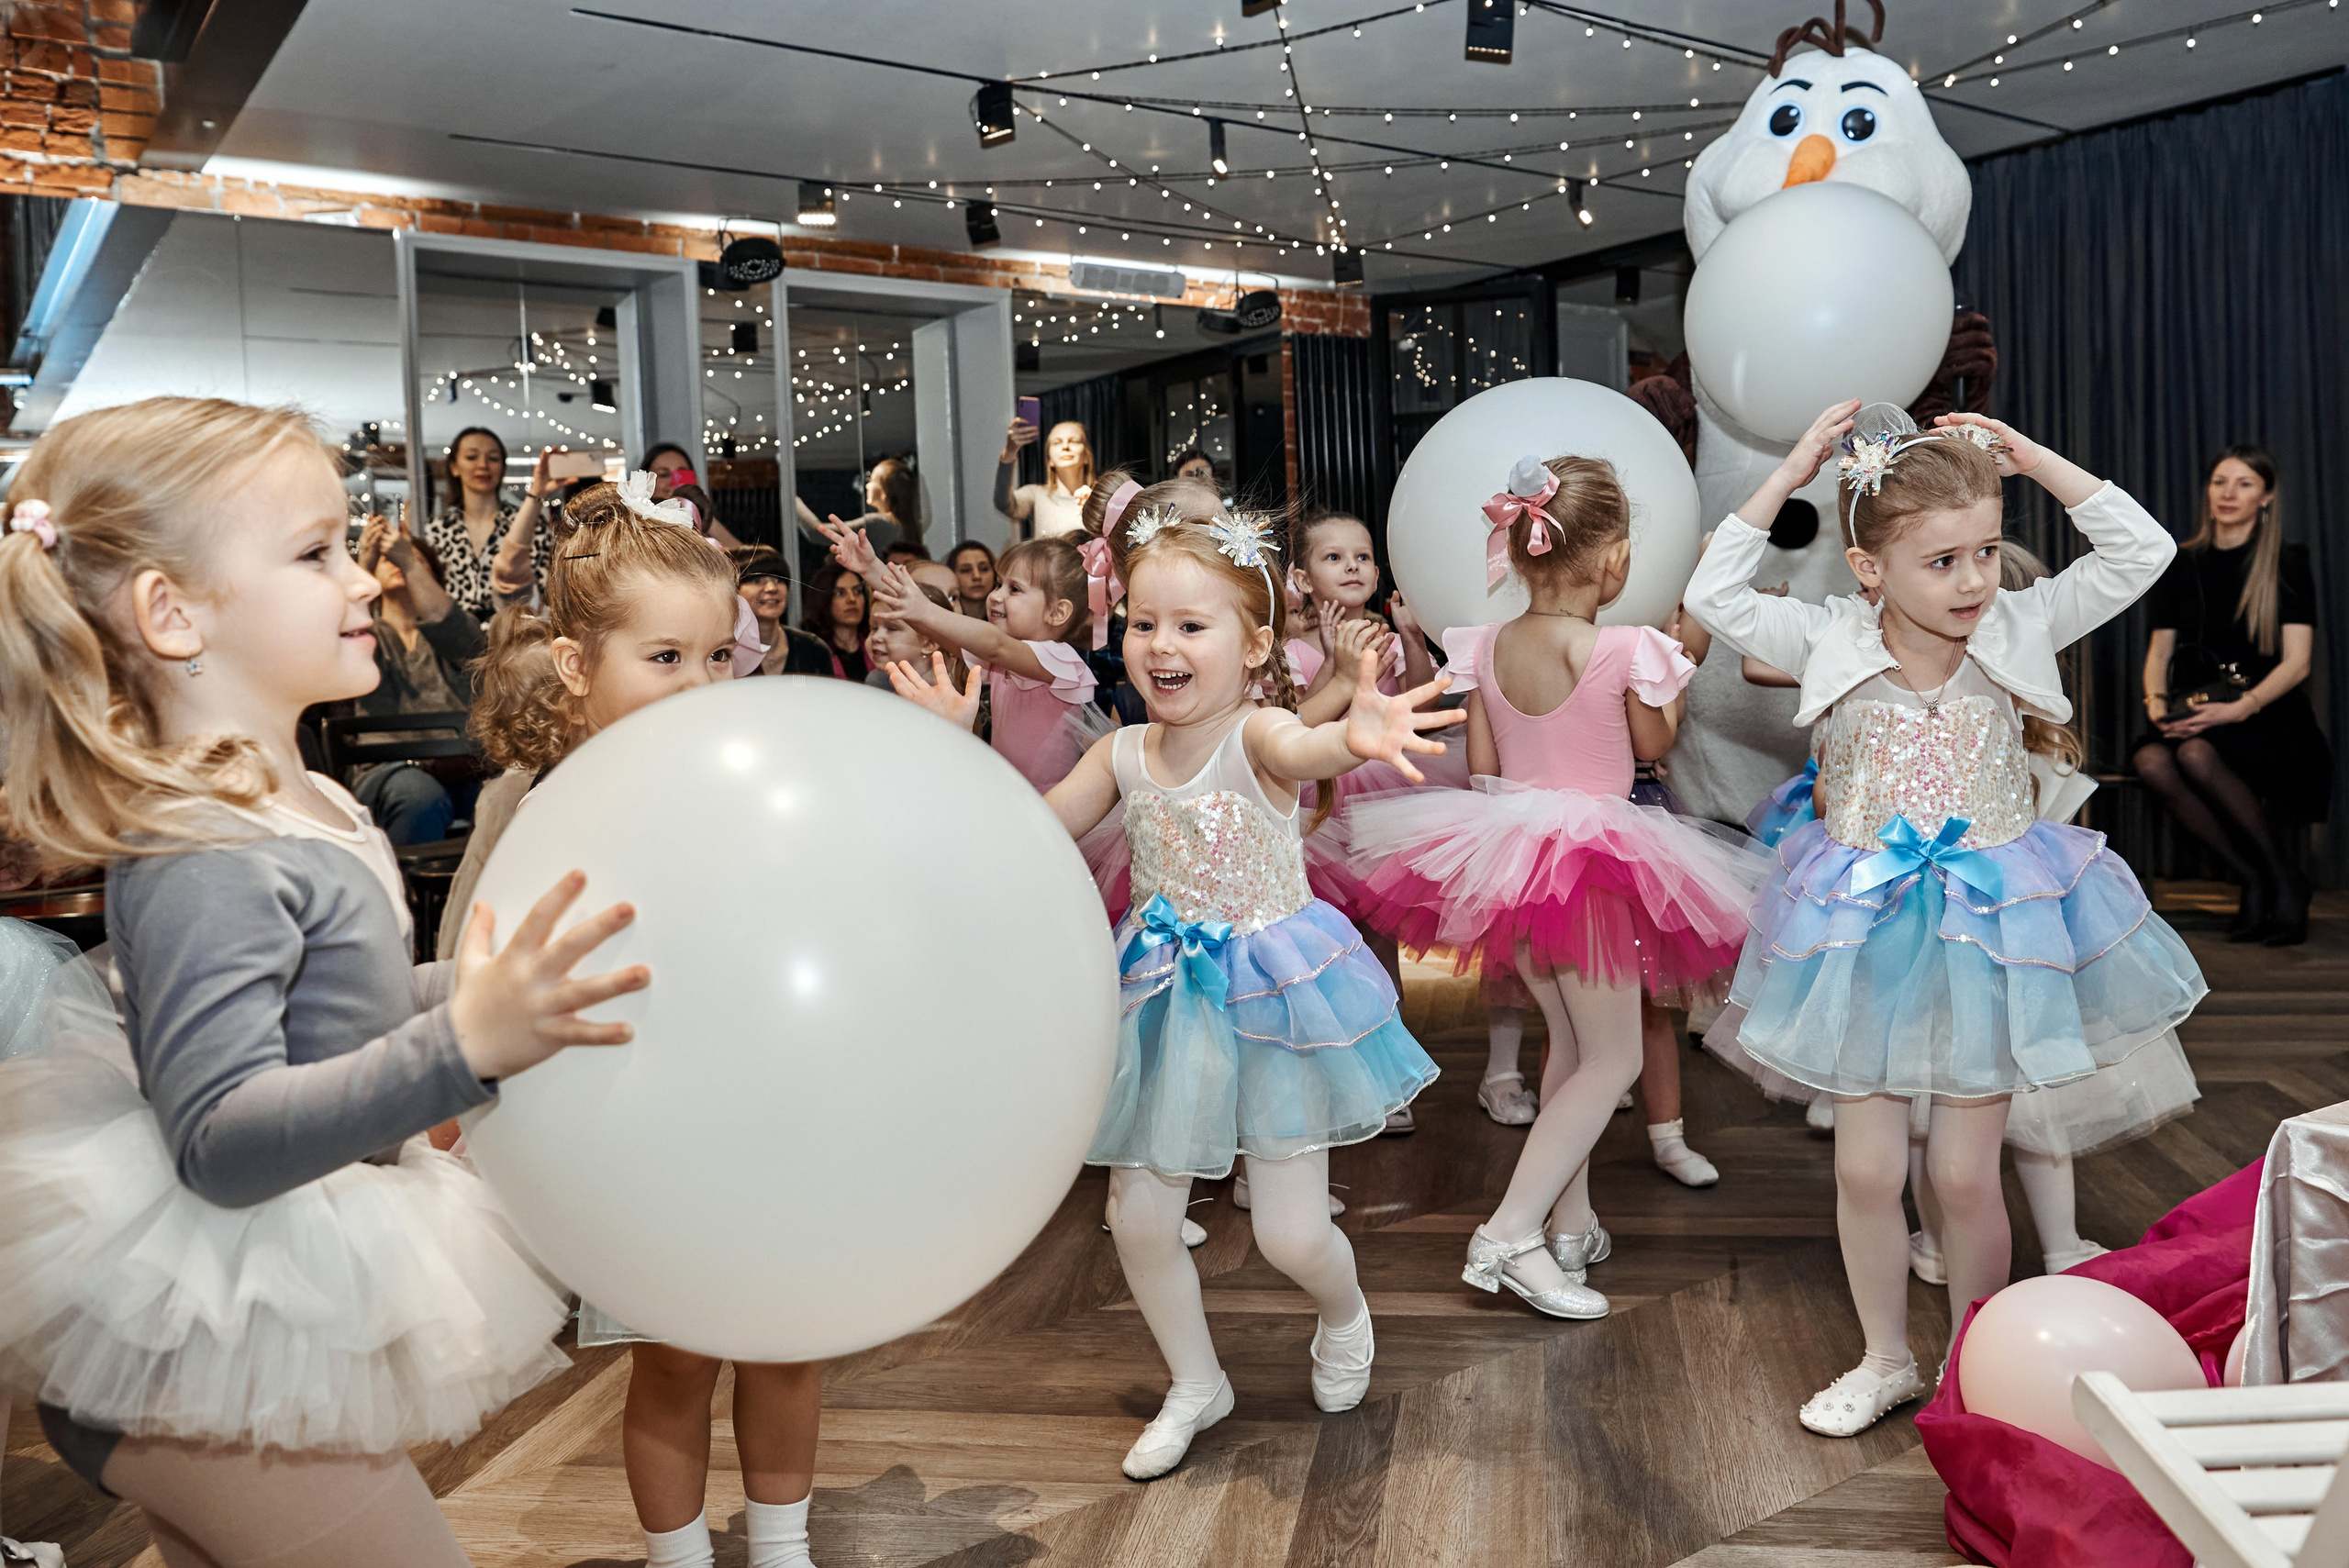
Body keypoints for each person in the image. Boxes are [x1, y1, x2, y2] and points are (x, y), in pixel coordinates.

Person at [0, 395, 647, 1565]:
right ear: (172, 612)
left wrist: (472, 985)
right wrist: (464, 1045)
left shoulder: (308, 799)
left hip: (231, 1322)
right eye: (317, 553)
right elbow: (224, 1137)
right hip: (199, 1334)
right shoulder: (209, 843)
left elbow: (326, 1018)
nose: (365, 579)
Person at [887, 477, 1457, 1481]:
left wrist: (1351, 734)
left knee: (1288, 1232)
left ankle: (1344, 1306)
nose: (1161, 645)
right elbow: (1032, 826)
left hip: (1275, 994)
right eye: (1144, 621)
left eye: (1192, 624)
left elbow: (1307, 741)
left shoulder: (1259, 737)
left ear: (1253, 646)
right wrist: (952, 746)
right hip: (1160, 994)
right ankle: (1196, 1378)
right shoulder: (1120, 751)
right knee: (1139, 1216)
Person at [1686, 400, 2205, 1439]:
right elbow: (1709, 588)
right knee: (1868, 1166)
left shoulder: (2017, 624)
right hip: (1864, 927)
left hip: (1993, 928)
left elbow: (2140, 547)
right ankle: (1885, 1357)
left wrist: (2030, 459)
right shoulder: (1825, 633)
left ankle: (1977, 1358)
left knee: (1966, 1172)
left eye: (1983, 551)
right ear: (1868, 567)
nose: (1973, 581)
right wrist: (1793, 464)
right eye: (1942, 562)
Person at [471, 476, 824, 1568]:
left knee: (789, 1346)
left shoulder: (753, 778)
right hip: (646, 1124)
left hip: (766, 1104)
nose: (700, 681)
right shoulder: (556, 808)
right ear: (580, 666)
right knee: (672, 1358)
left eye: (717, 655)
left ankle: (784, 1549)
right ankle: (678, 1560)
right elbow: (505, 963)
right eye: (664, 658)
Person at [1342, 454, 1765, 1322]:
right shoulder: (1621, 648)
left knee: (1570, 1051)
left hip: (1513, 857)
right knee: (1611, 1058)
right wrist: (1679, 661)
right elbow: (1653, 742)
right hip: (1597, 863)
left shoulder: (1485, 644)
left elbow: (1489, 768)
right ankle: (1507, 1232)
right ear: (1613, 562)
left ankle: (1572, 1226)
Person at [1901, 543, 2200, 1283]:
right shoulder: (2055, 749)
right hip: (2027, 950)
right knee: (2036, 1112)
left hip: (1936, 935)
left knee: (1924, 1104)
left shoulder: (1963, 725)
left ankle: (1937, 1241)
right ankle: (2060, 1243)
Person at [2132, 443, 2330, 947]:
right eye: (2221, 481)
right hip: (2198, 706)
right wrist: (2155, 705)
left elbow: (2298, 662)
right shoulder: (2182, 562)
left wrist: (2243, 706)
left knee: (2198, 755)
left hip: (2267, 711)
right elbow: (2159, 654)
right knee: (2153, 761)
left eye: (2244, 484)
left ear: (2266, 497)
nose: (2228, 493)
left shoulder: (2286, 560)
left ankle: (2281, 879)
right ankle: (2257, 876)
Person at [842, 527, 1097, 792]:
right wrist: (871, 569)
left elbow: (994, 645)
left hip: (1051, 803)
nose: (996, 596)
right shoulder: (1001, 659)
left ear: (1057, 613)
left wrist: (926, 610)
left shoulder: (1059, 659)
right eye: (999, 584)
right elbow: (939, 630)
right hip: (1010, 792)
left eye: (1014, 589)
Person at [350, 512, 482, 845]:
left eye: (413, 559)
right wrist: (362, 563)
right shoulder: (363, 634)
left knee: (507, 794)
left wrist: (409, 561)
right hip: (385, 769)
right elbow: (324, 636)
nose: (397, 562)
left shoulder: (449, 635)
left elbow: (454, 626)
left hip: (459, 766)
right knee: (418, 797)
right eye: (387, 559)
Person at [424, 424, 551, 619]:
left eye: (493, 458)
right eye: (471, 457)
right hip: (455, 636)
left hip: (511, 633)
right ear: (454, 467)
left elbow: (546, 591)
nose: (483, 465)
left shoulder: (531, 525)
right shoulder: (437, 529)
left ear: (502, 467)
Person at [729, 545, 836, 678]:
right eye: (757, 581)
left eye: (778, 580)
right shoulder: (725, 652)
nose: (772, 588)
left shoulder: (812, 649)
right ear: (733, 590)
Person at [863, 582, 969, 700]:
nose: (876, 637)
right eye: (873, 628)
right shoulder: (877, 679)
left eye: (892, 628)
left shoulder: (947, 693)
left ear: (929, 643)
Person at [996, 417, 1094, 539]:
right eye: (1057, 443)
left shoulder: (1099, 495)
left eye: (1074, 441)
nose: (1065, 446)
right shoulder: (1037, 494)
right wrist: (1010, 452)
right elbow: (1004, 503)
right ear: (1049, 459)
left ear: (1086, 456)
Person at [801, 560, 872, 682]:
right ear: (824, 600)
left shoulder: (875, 644)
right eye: (840, 593)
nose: (852, 599)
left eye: (857, 591)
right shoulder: (811, 650)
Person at [948, 539, 997, 617]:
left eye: (984, 569)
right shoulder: (944, 618)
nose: (977, 576)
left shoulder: (1005, 618)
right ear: (952, 575)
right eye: (966, 570)